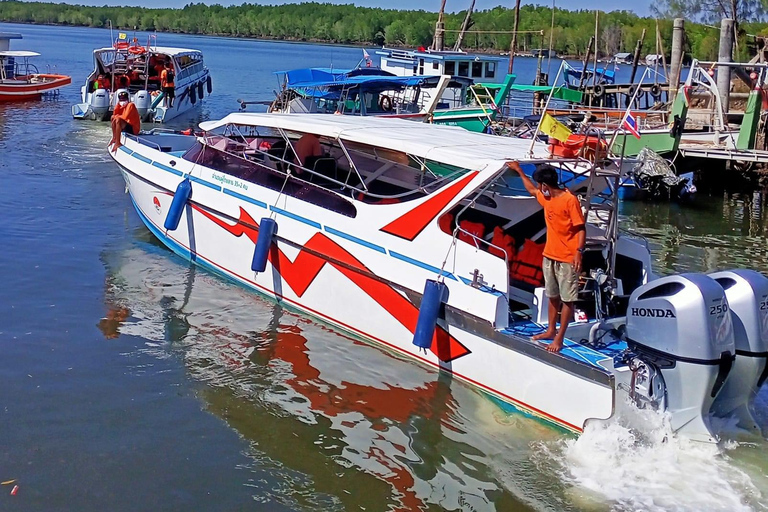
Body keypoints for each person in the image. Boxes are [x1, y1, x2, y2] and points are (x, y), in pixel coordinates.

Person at [507, 161, 586, 352]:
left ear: (545, 185)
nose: (539, 189)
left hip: (568, 257)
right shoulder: (546, 197)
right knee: (552, 294)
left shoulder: (569, 200)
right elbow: (532, 191)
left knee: (568, 299)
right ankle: (551, 330)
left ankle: (559, 338)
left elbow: (580, 228)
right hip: (549, 255)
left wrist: (578, 252)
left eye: (540, 186)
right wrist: (519, 171)